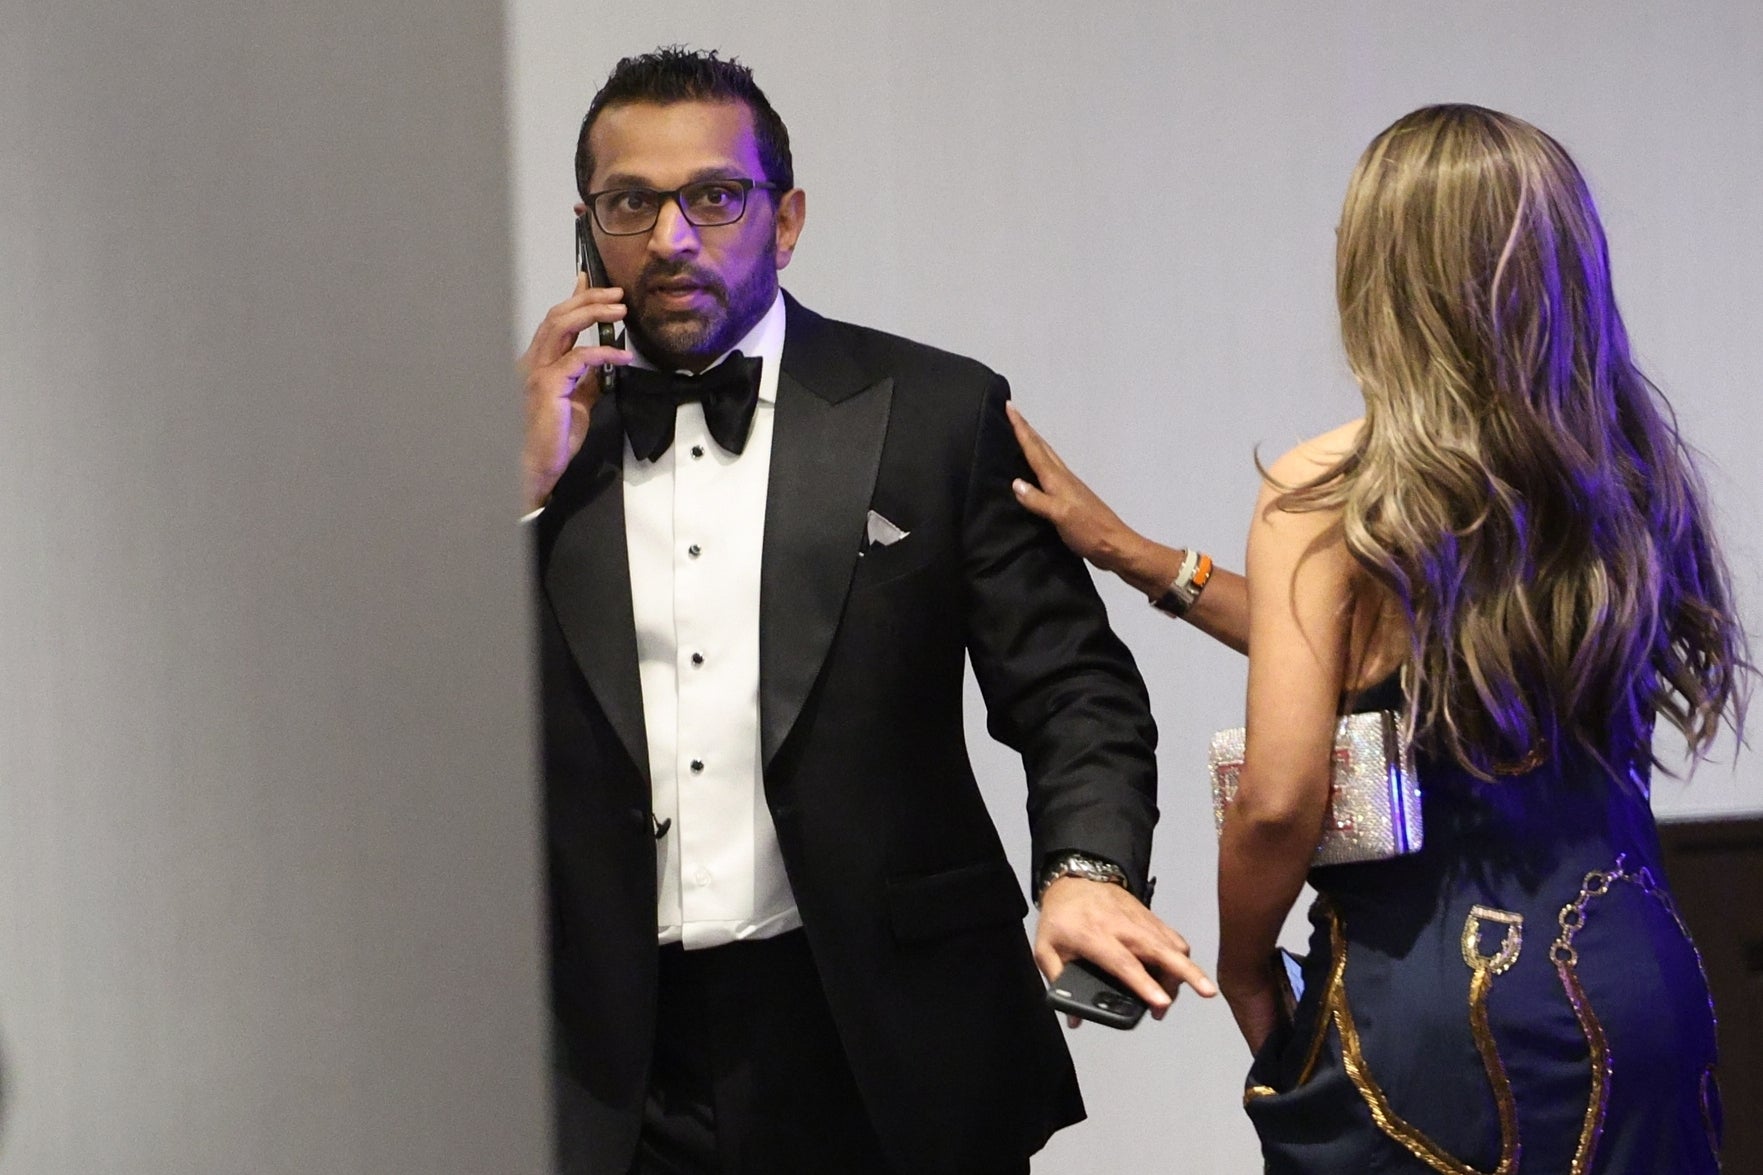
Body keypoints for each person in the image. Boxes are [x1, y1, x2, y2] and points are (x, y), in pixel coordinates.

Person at [1014, 104, 1748, 1173]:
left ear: (1380, 271)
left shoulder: (1327, 489)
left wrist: (1245, 958)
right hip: (1638, 982)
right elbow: (1396, 659)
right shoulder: (1625, 468)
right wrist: (1144, 558)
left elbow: (1277, 794)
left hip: (1428, 1000)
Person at [521, 47, 1213, 1175]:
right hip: (610, 1065)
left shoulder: (932, 412)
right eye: (629, 202)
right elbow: (421, 751)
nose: (670, 237)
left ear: (783, 219)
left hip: (886, 1036)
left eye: (714, 196)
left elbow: (1069, 686)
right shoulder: (521, 449)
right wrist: (508, 495)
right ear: (588, 224)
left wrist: (1087, 870)